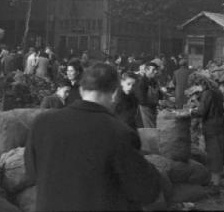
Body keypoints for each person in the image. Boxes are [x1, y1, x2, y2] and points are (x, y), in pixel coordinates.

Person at [25, 63, 161, 211]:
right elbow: (147, 191)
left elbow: (32, 173)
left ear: (81, 90)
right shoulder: (119, 133)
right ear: (115, 93)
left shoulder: (42, 123)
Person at [191, 76, 224, 188]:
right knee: (219, 152)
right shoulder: (217, 92)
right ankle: (215, 181)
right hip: (221, 124)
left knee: (214, 154)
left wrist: (191, 111)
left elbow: (202, 111)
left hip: (212, 126)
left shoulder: (207, 93)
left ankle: (215, 184)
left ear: (200, 84)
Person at [134, 62, 163, 128]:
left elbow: (159, 94)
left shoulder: (154, 81)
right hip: (145, 111)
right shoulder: (142, 82)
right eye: (153, 70)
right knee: (149, 130)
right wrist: (155, 103)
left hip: (153, 109)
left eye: (156, 70)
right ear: (146, 70)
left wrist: (162, 99)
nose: (155, 72)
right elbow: (142, 100)